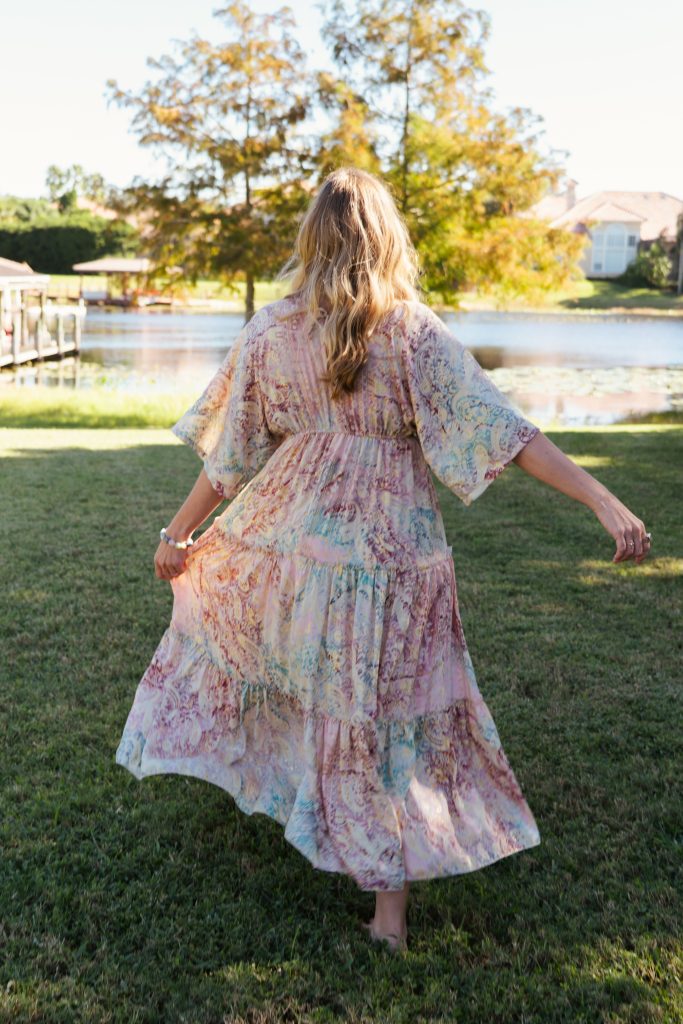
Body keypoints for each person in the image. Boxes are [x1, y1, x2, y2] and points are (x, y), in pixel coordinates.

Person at [115, 167, 652, 954]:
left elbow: (229, 460)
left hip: (299, 550)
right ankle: (387, 917)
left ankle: (345, 845)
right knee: (385, 713)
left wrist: (177, 535)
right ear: (387, 238)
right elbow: (505, 432)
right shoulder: (410, 331)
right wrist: (599, 497)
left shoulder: (272, 329)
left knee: (327, 698)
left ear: (311, 237)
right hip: (395, 558)